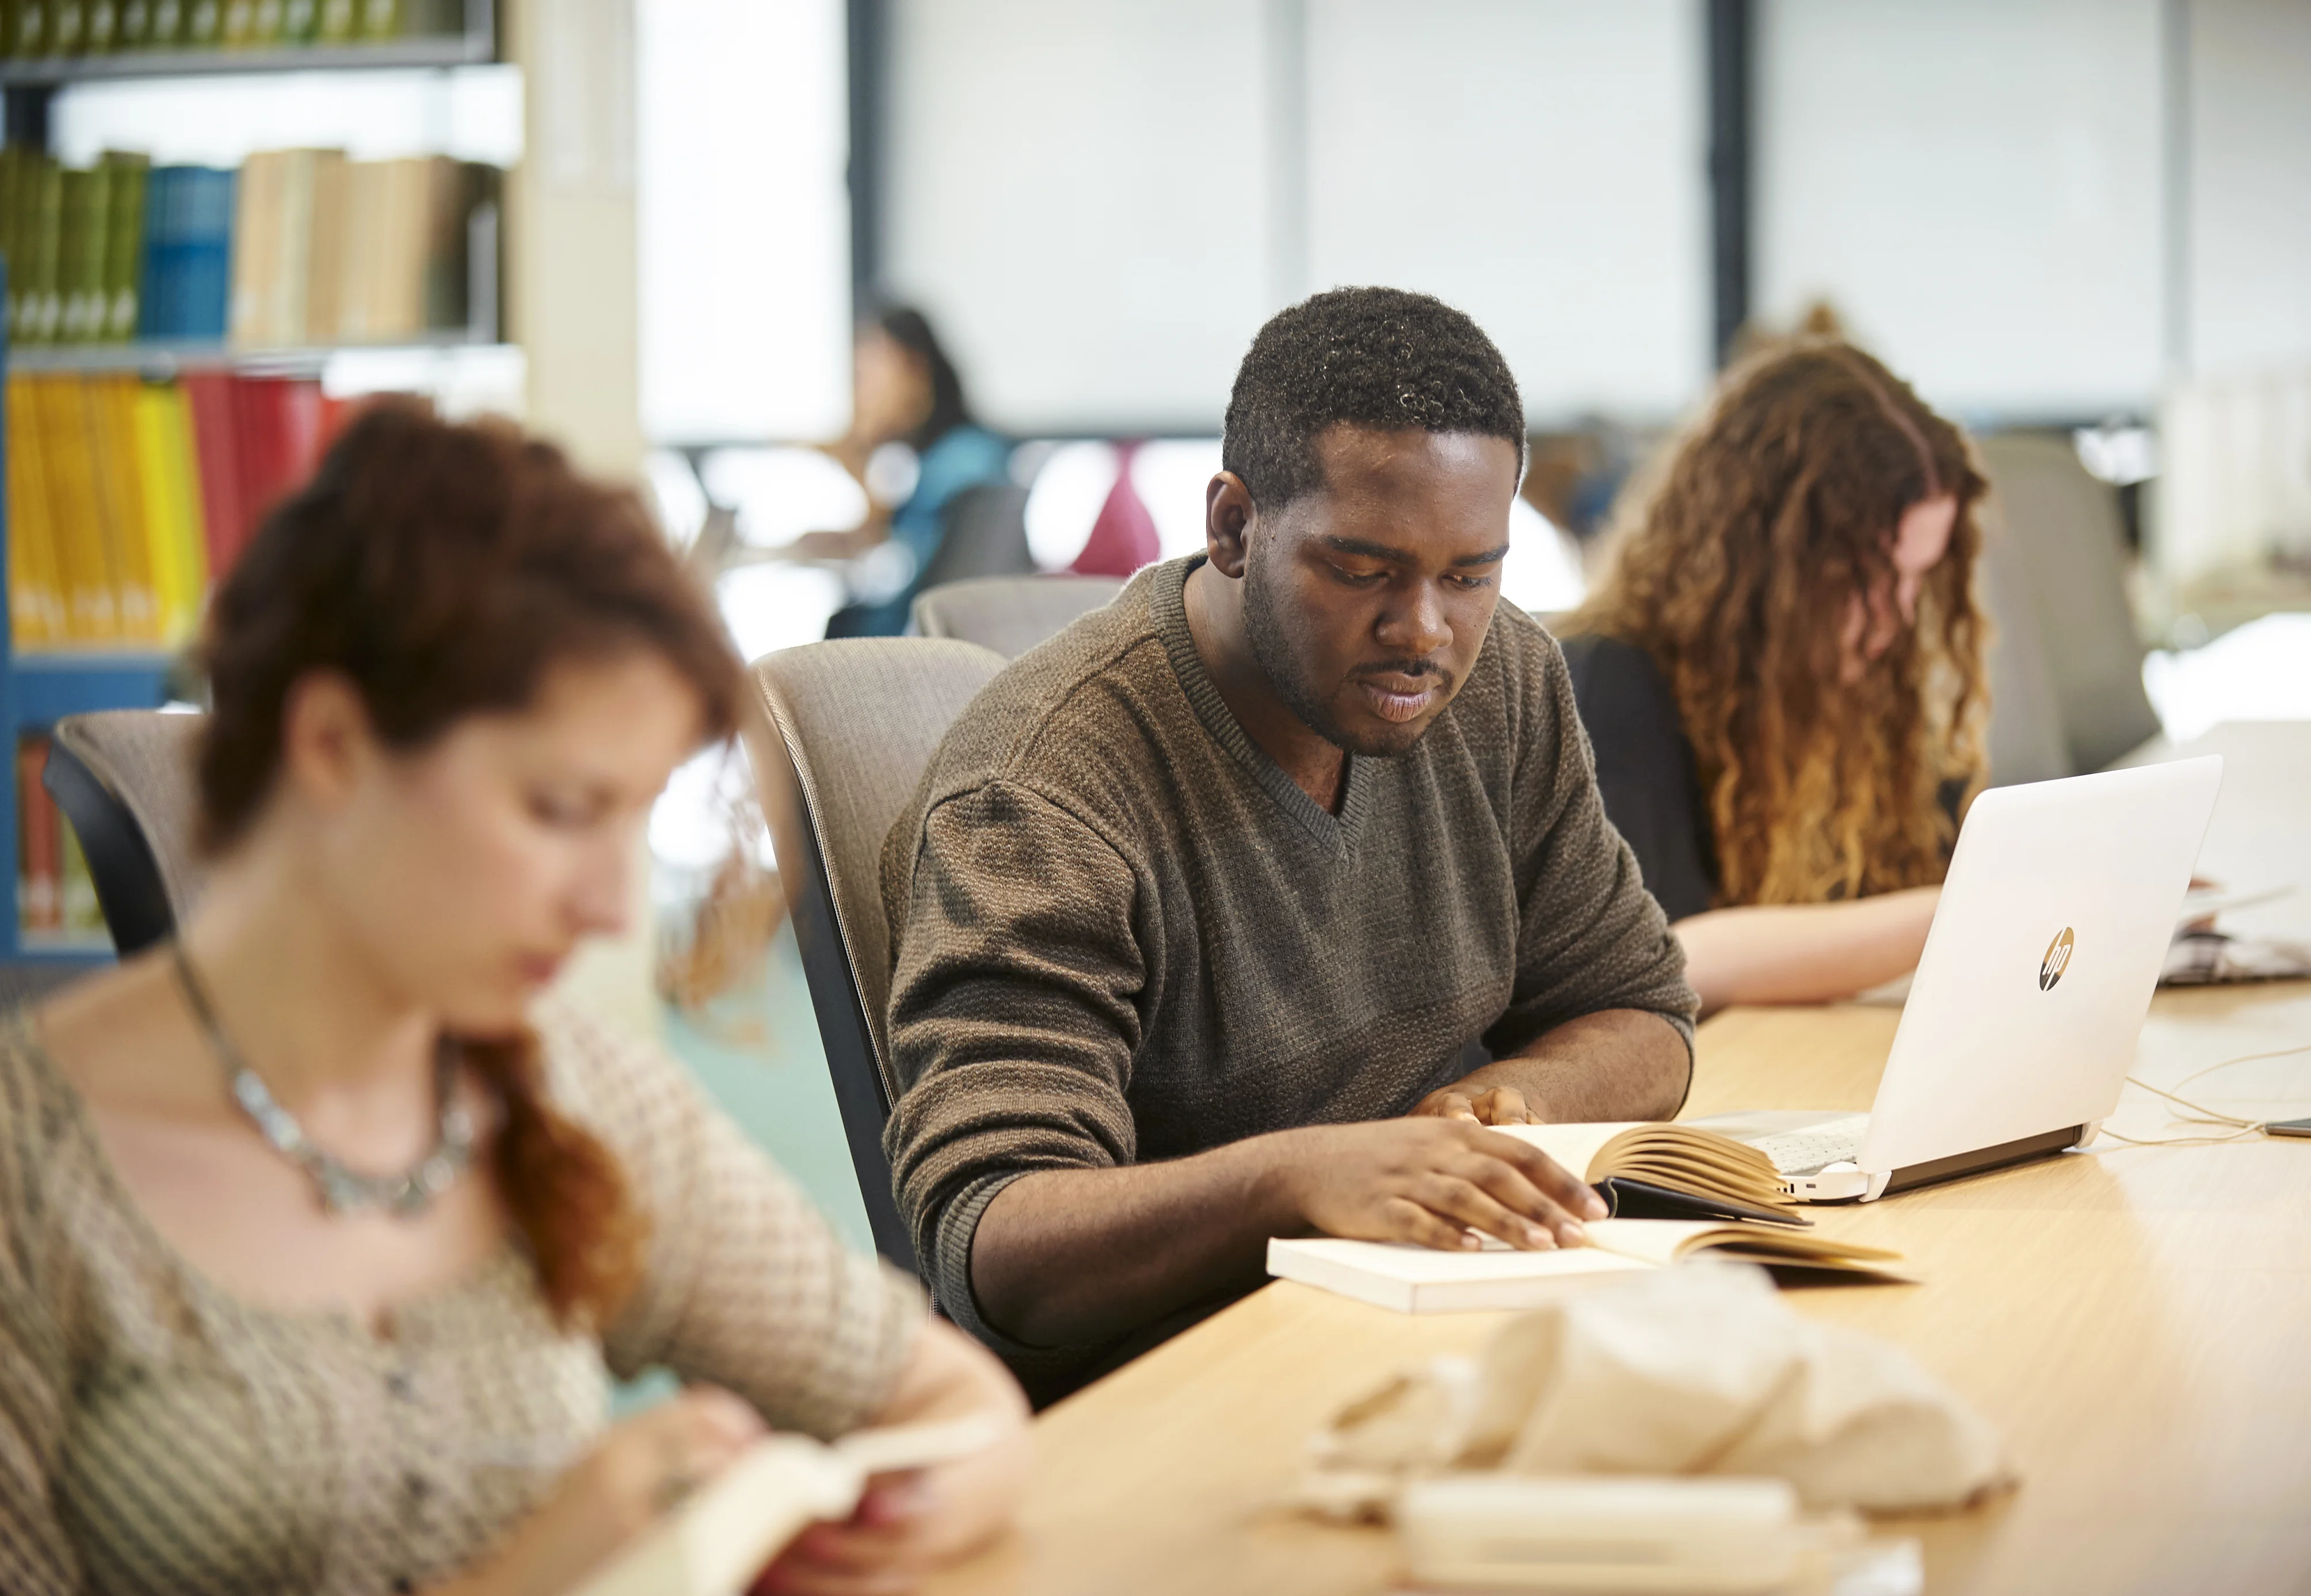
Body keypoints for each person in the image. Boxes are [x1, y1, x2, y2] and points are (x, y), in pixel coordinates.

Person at [0, 404, 1026, 1596]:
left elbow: (954, 1401)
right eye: (557, 812)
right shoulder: (35, 1173)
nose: (605, 908)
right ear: (332, 743)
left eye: (632, 823)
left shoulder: (562, 1083)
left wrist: (898, 1511)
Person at [880, 288, 1697, 1400]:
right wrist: (1309, 1176)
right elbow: (994, 1233)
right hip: (1178, 1388)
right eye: (1362, 570)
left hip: (1425, 1332)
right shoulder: (1044, 785)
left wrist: (1505, 1108)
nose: (1424, 631)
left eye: (1469, 573)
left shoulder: (1500, 676)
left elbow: (1643, 1010)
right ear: (1230, 526)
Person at [1553, 340, 1990, 1015]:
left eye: (1916, 578)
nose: (1898, 617)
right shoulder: (1609, 678)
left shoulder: (1853, 683)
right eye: (1862, 581)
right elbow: (1663, 955)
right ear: (1762, 569)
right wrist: (1960, 907)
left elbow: (1945, 850)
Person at [803, 307, 1013, 637]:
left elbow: (906, 576)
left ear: (915, 370)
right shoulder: (954, 456)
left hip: (911, 655)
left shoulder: (962, 464)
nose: (862, 396)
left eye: (867, 376)